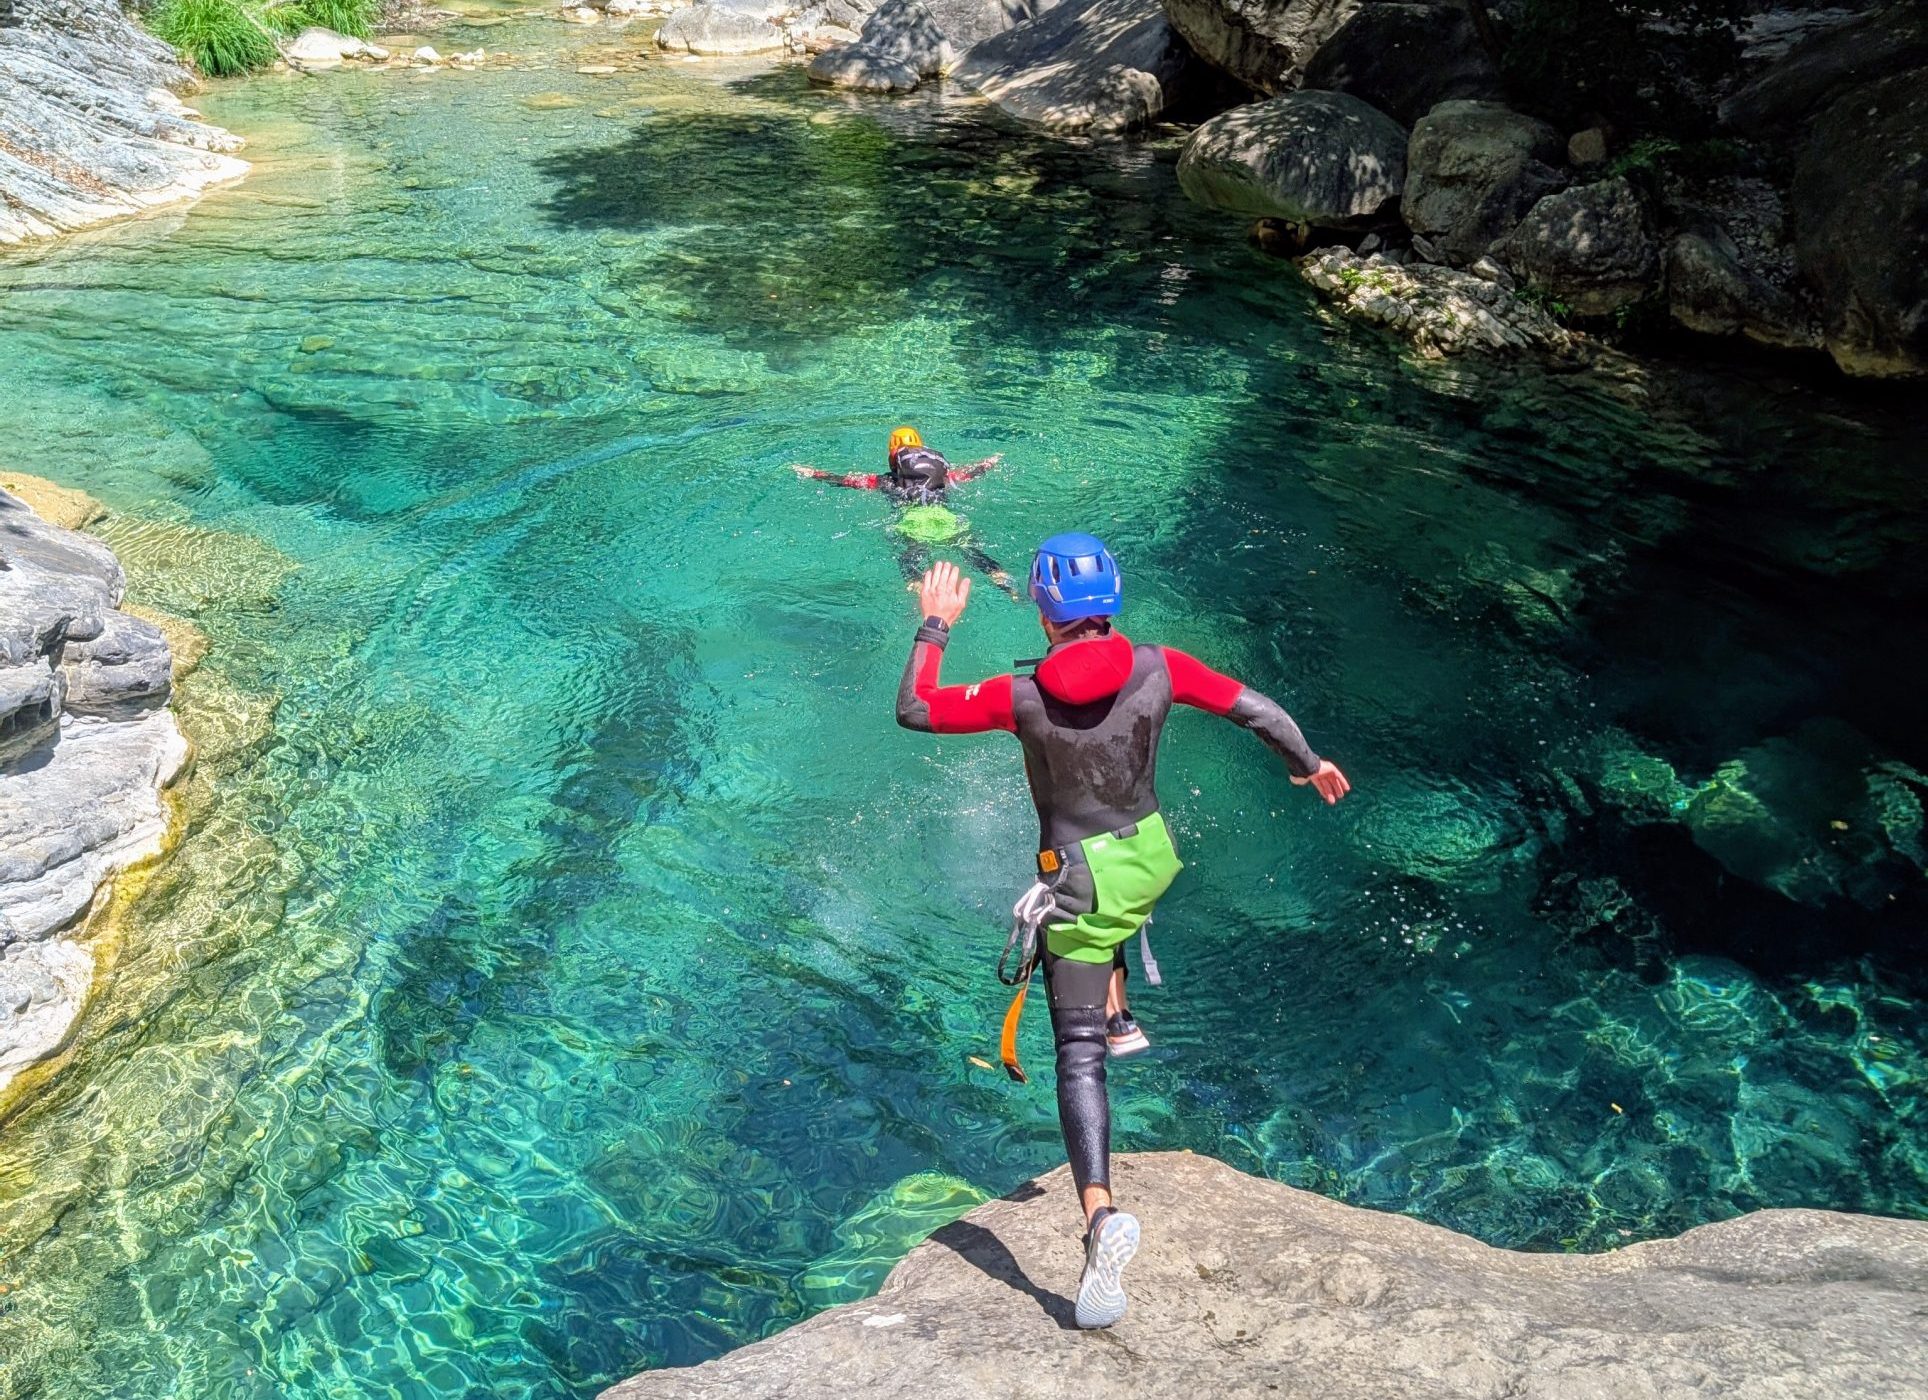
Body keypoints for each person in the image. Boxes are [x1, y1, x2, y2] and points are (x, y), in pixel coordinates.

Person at [894, 538, 1351, 1329]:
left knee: (1076, 1052)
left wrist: (936, 625)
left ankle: (1100, 1219)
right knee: (1111, 915)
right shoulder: (1161, 666)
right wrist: (1307, 763)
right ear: (1112, 602)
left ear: (1044, 614)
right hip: (1150, 858)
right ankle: (1120, 1011)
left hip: (1083, 878)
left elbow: (915, 708)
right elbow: (1259, 711)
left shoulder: (1020, 696)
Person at [793, 426, 1017, 597]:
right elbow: (970, 473)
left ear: (893, 459)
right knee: (971, 551)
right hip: (946, 520)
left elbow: (847, 481)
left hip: (912, 524)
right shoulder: (943, 477)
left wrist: (814, 473)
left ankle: (917, 587)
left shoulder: (884, 481)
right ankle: (999, 576)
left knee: (908, 559)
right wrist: (990, 462)